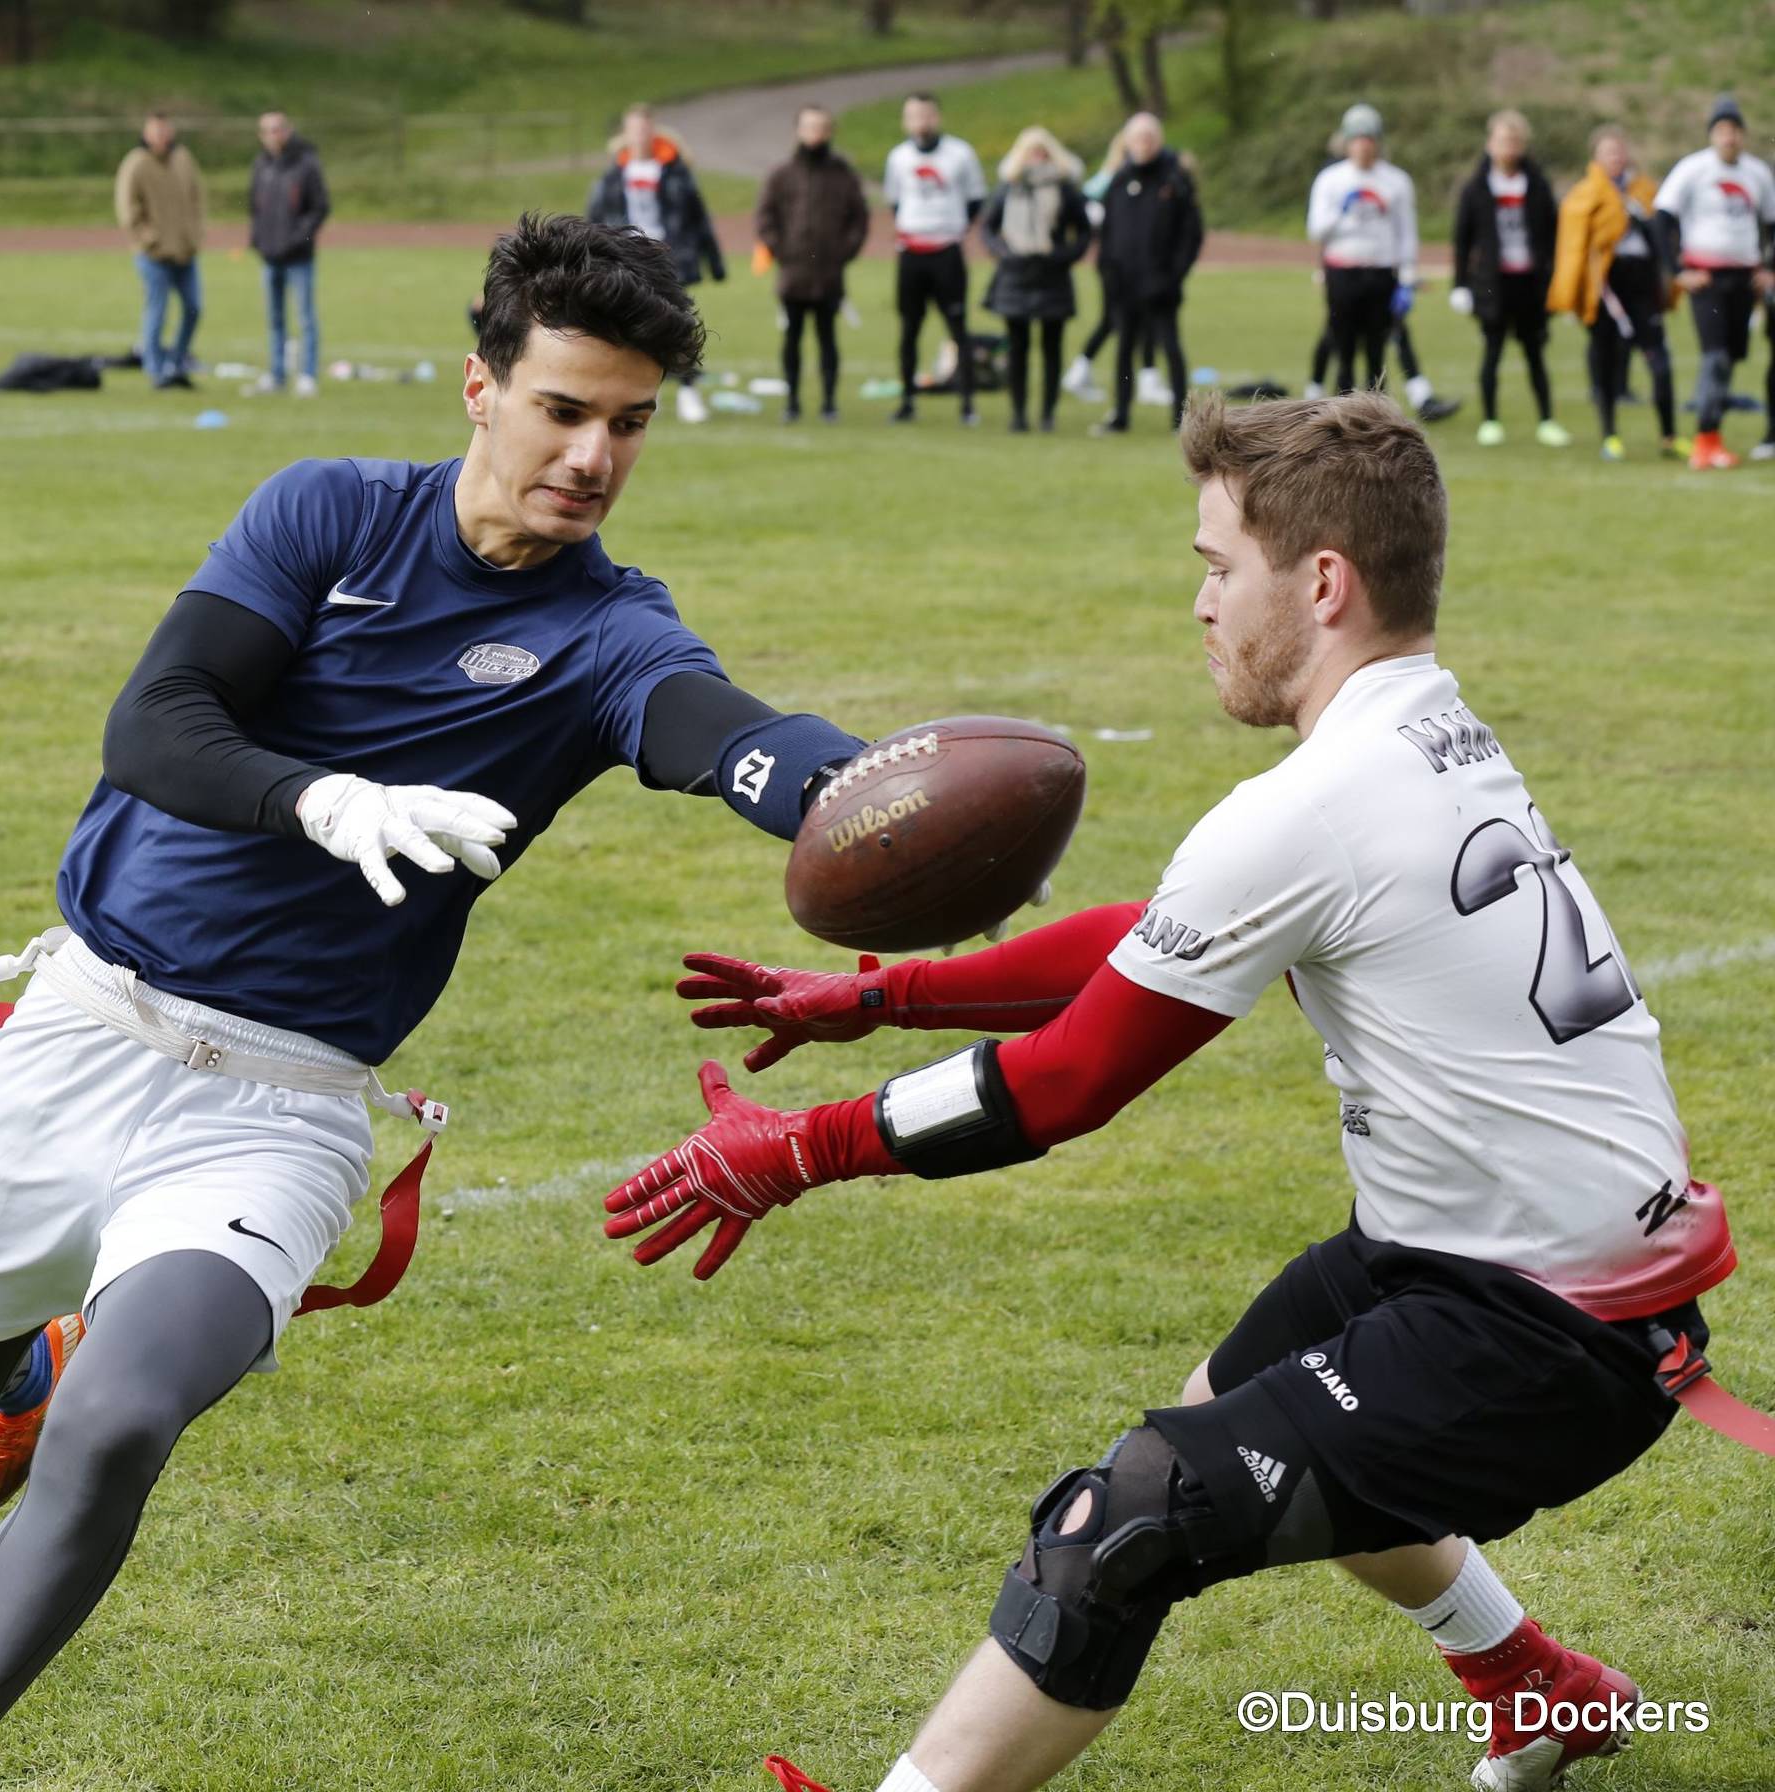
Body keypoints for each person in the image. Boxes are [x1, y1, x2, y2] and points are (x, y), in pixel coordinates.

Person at [0, 214, 878, 1792]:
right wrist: (323, 800)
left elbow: (720, 728)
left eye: (630, 424)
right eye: (563, 409)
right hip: (84, 1032)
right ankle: (31, 1368)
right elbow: (156, 724)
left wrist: (864, 793)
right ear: (479, 386)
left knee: (125, 1428)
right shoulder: (328, 514)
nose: (594, 456)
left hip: (280, 1108)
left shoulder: (610, 633)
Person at [607, 389, 1735, 1792]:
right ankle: (1535, 1687)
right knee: (1238, 1409)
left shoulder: (1311, 807)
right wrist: (885, 995)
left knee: (1118, 1525)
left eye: (1218, 569)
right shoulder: (1418, 737)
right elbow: (1155, 938)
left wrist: (797, 1151)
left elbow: (1073, 1079)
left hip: (1541, 1330)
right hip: (1485, 1257)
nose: (1200, 605)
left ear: (1320, 583)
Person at [1655, 95, 1775, 469]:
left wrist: (1768, 268)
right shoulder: (1693, 169)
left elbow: (1771, 226)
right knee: (1716, 355)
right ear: (1712, 134)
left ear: (1743, 134)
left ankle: (1712, 435)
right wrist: (1677, 272)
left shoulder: (1757, 173)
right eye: (1722, 130)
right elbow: (1661, 220)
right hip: (1707, 278)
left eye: (1735, 130)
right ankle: (1707, 440)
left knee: (1733, 356)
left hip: (1745, 279)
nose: (1729, 137)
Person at [1550, 124, 1682, 462]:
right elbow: (1574, 248)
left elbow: (1665, 234)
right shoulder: (1585, 195)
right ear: (1595, 157)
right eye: (1609, 152)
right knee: (1606, 361)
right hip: (1606, 288)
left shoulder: (1646, 191)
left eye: (1621, 151)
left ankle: (1669, 436)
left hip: (1642, 285)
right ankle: (1610, 435)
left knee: (1659, 361)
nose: (1617, 158)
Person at [589, 103, 725, 422]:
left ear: (654, 131)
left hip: (669, 258)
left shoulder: (675, 171)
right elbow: (596, 220)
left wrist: (713, 260)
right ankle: (645, 392)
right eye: (634, 129)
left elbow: (698, 217)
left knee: (678, 325)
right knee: (632, 327)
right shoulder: (613, 176)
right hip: (627, 258)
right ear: (625, 134)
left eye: (645, 128)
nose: (640, 135)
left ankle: (688, 390)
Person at [1449, 110, 1567, 448]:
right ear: (1490, 144)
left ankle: (1547, 420)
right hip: (1493, 285)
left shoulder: (1537, 184)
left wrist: (1555, 280)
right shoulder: (1476, 188)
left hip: (1530, 283)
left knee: (1535, 354)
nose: (1509, 147)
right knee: (1492, 352)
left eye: (1515, 141)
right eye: (1503, 140)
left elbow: (1553, 234)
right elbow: (1462, 239)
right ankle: (1490, 421)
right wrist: (1460, 284)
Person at [755, 103, 870, 424]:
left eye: (821, 127)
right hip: (793, 275)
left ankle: (829, 402)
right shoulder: (782, 175)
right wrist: (782, 251)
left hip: (829, 275)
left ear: (830, 131)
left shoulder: (842, 174)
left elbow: (859, 218)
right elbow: (765, 218)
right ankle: (791, 400)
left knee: (828, 338)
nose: (815, 133)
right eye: (809, 126)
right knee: (792, 337)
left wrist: (843, 252)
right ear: (798, 131)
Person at [1089, 112, 1200, 436]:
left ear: (1159, 140)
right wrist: (1106, 269)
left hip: (1160, 283)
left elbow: (1191, 235)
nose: (1143, 144)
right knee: (1124, 348)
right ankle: (1121, 413)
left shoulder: (1174, 180)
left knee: (1170, 346)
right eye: (1137, 138)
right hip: (1123, 283)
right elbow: (1108, 231)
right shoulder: (1120, 179)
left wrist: (1173, 275)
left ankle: (1181, 418)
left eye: (1149, 138)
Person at [882, 92, 988, 425]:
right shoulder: (898, 157)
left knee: (957, 326)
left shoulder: (960, 154)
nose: (921, 122)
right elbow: (895, 201)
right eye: (913, 116)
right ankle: (907, 401)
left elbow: (975, 200)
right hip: (912, 254)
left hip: (947, 253)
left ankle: (968, 403)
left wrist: (950, 229)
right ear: (905, 120)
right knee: (909, 328)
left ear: (936, 117)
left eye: (926, 115)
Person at [980, 126, 1093, 433]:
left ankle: (1048, 413)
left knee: (1051, 347)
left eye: (1042, 151)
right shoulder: (1009, 187)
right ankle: (1018, 413)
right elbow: (987, 227)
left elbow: (1084, 230)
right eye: (1031, 151)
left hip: (1051, 275)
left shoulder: (1064, 188)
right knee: (1017, 348)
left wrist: (1064, 256)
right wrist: (1004, 252)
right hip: (1015, 274)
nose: (1037, 157)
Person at [1308, 104, 1419, 396]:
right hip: (1343, 273)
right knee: (1343, 351)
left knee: (1376, 353)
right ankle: (1340, 424)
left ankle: (1375, 425)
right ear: (1347, 142)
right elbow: (1316, 229)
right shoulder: (1331, 180)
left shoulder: (1396, 181)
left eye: (1369, 139)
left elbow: (1406, 232)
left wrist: (1407, 279)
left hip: (1381, 273)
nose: (1363, 146)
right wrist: (1341, 213)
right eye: (1357, 139)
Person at [115, 112, 206, 390]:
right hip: (153, 255)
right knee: (158, 311)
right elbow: (127, 208)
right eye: (156, 132)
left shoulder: (183, 159)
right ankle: (155, 369)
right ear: (146, 134)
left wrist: (194, 234)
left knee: (193, 307)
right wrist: (148, 240)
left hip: (184, 251)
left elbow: (197, 197)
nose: (162, 137)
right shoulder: (136, 164)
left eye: (165, 131)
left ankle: (177, 360)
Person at [247, 109, 330, 397]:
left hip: (298, 257)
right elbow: (255, 207)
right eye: (268, 130)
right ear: (261, 136)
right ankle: (276, 374)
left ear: (289, 129)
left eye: (279, 128)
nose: (274, 135)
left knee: (305, 316)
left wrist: (298, 238)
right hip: (270, 256)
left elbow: (319, 207)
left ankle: (307, 375)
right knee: (275, 319)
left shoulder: (306, 164)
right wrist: (258, 239)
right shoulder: (261, 165)